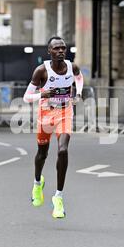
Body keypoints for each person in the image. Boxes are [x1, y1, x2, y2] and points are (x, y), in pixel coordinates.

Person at [23, 36, 84, 219]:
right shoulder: (41, 71)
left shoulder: (71, 67)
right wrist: (42, 94)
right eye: (56, 48)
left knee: (63, 150)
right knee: (42, 153)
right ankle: (37, 183)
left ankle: (58, 197)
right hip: (46, 114)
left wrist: (78, 93)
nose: (60, 51)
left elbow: (79, 78)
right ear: (49, 51)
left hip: (65, 112)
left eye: (63, 48)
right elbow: (26, 97)